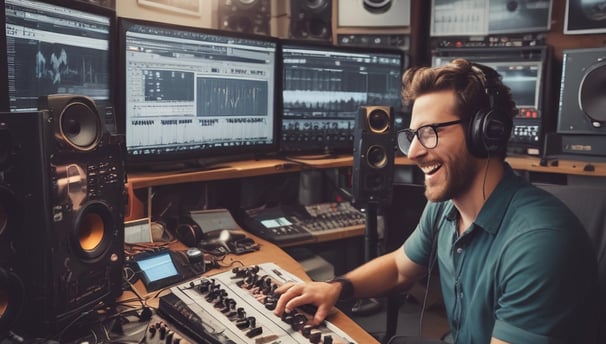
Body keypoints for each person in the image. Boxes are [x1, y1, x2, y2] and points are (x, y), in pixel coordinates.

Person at [273, 58, 600, 343]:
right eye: (412, 136)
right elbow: (400, 266)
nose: (413, 152)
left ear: (484, 132)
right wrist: (336, 287)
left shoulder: (539, 246)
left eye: (429, 132)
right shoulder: (446, 205)